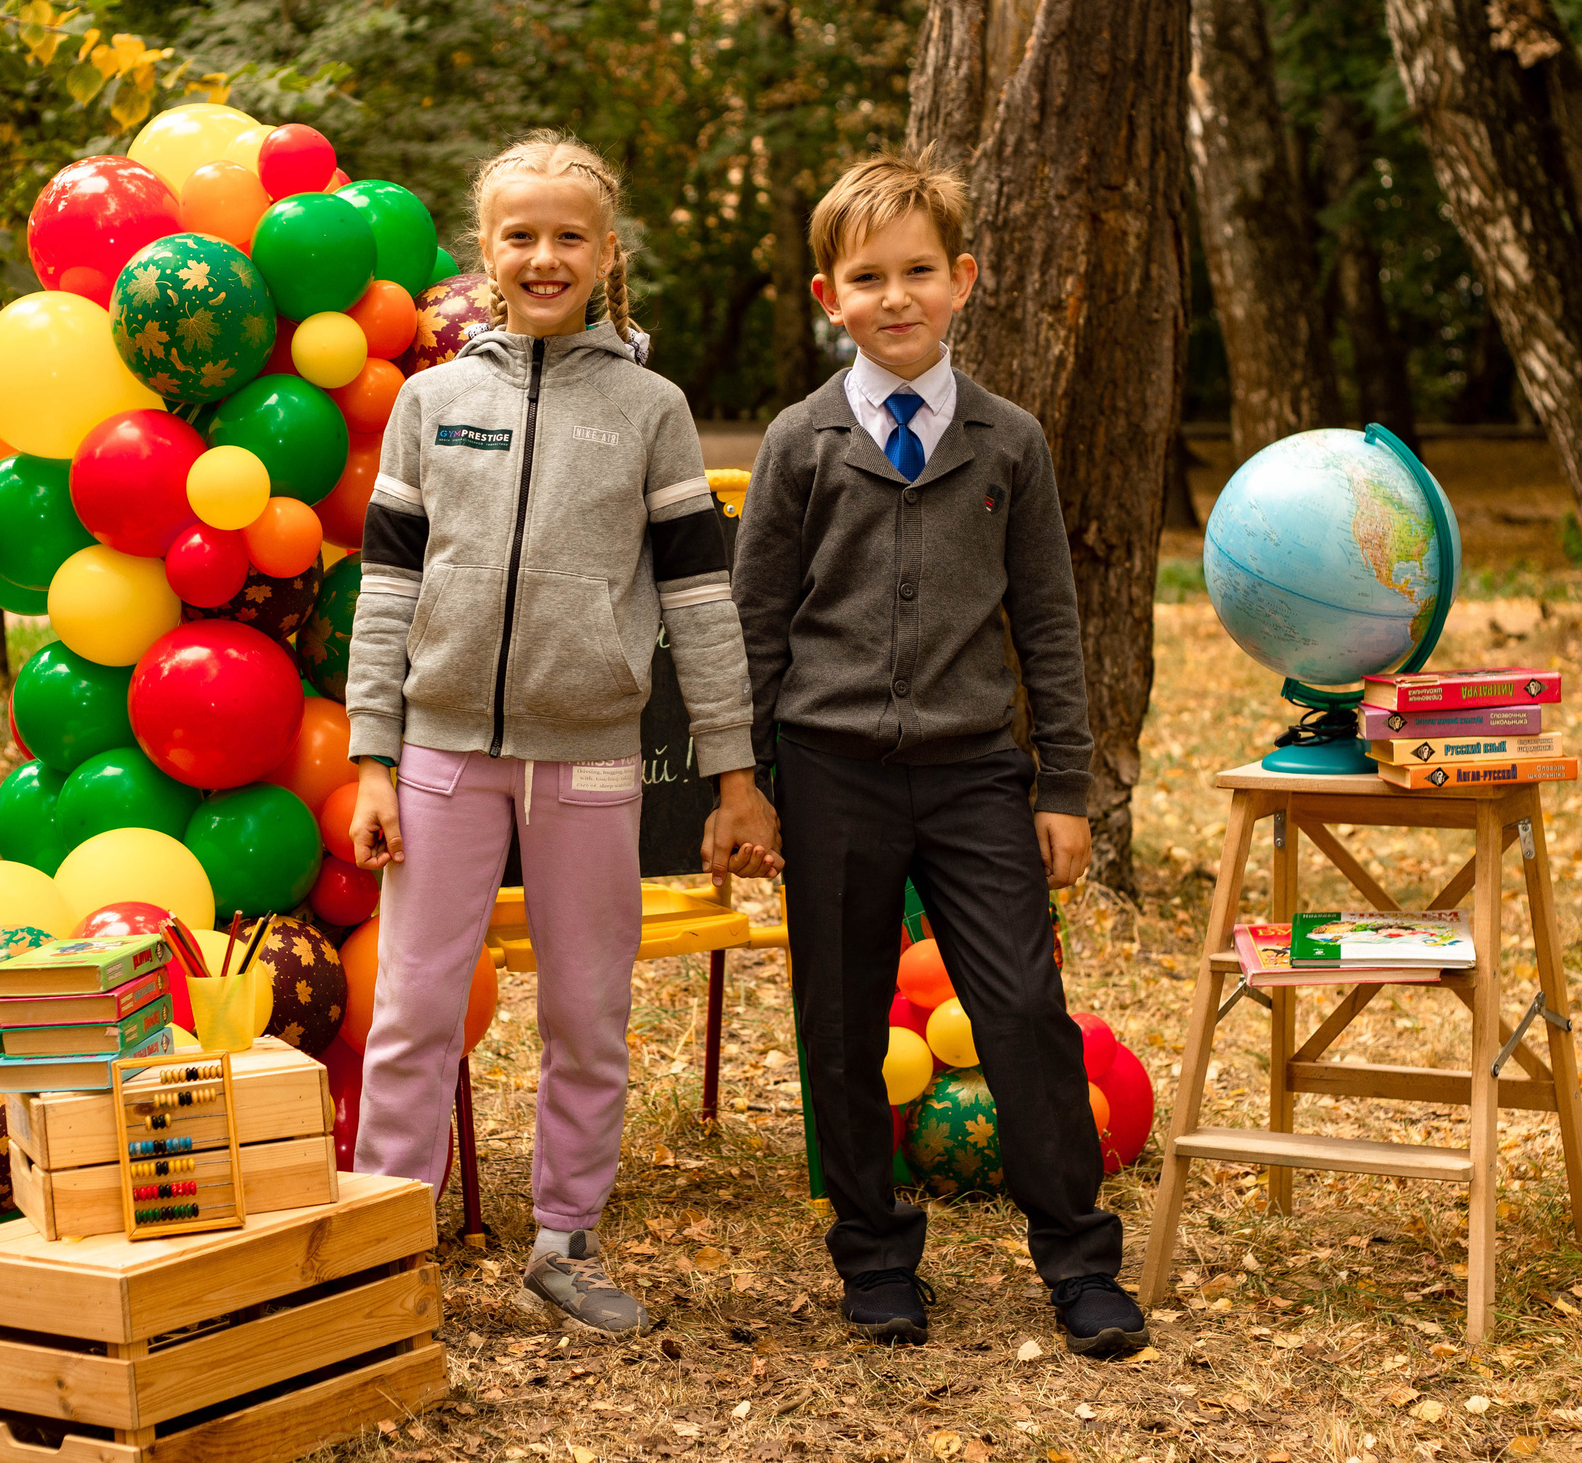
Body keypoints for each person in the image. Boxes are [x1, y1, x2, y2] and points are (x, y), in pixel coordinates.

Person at [343, 131, 782, 1338]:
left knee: (587, 1013)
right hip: (439, 754)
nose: (544, 257)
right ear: (485, 252)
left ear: (604, 255)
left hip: (592, 754)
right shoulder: (432, 403)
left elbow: (699, 599)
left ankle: (565, 1242)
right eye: (520, 236)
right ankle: (382, 1250)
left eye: (568, 237)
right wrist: (371, 757)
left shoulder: (651, 410)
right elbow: (386, 591)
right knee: (416, 1009)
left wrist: (734, 777)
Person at [731, 152, 1146, 1358]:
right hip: (830, 775)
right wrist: (745, 784)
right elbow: (755, 625)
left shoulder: (1009, 443)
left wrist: (1061, 786)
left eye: (919, 271)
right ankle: (873, 1255)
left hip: (976, 778)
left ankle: (1077, 1260)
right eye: (869, 277)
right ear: (830, 296)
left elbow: (1050, 623)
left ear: (962, 281)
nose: (896, 296)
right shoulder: (802, 443)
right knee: (844, 1016)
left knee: (1023, 1010)